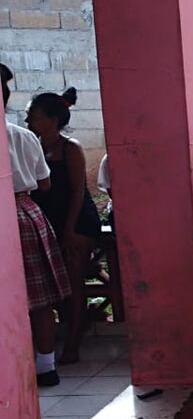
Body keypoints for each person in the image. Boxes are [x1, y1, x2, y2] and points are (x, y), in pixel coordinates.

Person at [3, 63, 71, 386]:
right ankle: (46, 367)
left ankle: (15, 367)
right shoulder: (25, 135)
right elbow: (44, 184)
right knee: (40, 299)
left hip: (8, 214)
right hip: (28, 212)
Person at [28, 88, 102, 365]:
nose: (30, 121)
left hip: (77, 220)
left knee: (73, 279)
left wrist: (69, 230)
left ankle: (72, 343)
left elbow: (78, 192)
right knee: (51, 282)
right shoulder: (33, 145)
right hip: (48, 221)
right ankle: (69, 329)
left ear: (53, 119)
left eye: (35, 116)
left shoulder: (70, 148)